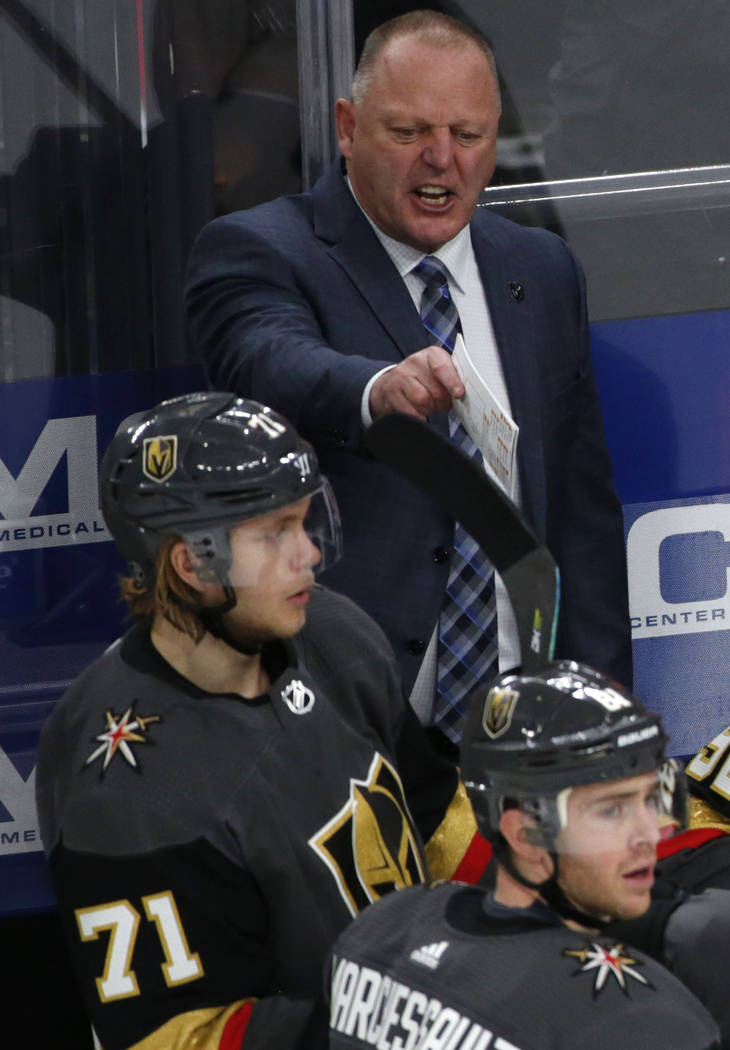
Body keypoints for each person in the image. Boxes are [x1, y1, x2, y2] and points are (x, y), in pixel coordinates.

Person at [184, 10, 632, 751]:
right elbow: (268, 355)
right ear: (348, 127)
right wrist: (375, 391)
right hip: (343, 725)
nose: (441, 160)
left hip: (519, 733)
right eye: (408, 133)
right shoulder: (260, 248)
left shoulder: (542, 269)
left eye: (467, 135)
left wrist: (603, 716)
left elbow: (582, 521)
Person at [34, 392, 488, 1050]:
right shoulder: (121, 784)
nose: (306, 553)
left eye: (307, 523)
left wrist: (529, 905)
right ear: (193, 563)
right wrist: (391, 1029)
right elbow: (174, 1035)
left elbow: (432, 812)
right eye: (274, 532)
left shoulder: (332, 633)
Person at [325, 661, 720, 1050]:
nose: (651, 834)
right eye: (612, 810)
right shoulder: (649, 1020)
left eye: (652, 800)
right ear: (525, 834)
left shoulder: (383, 928)